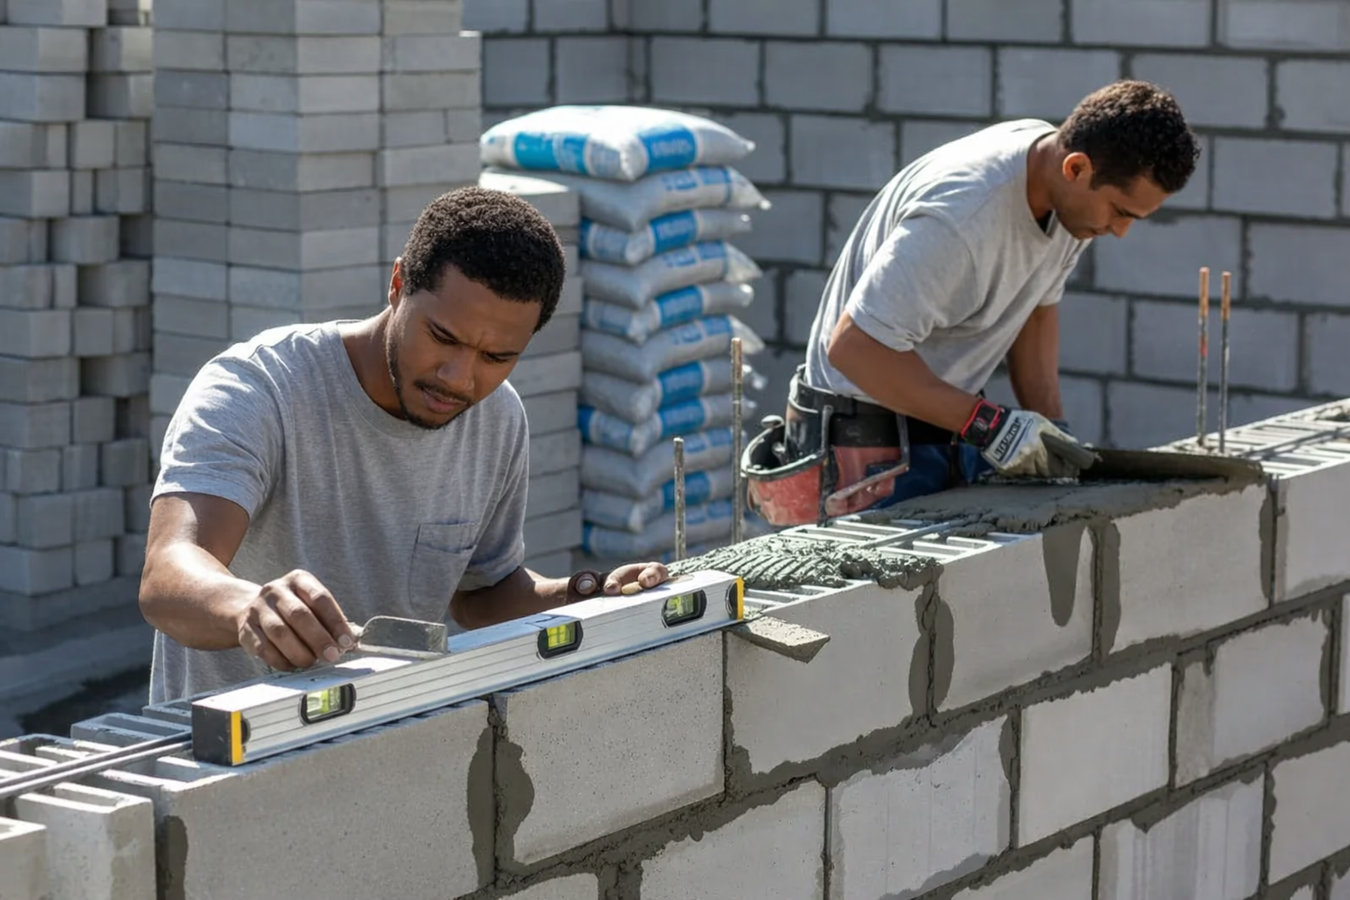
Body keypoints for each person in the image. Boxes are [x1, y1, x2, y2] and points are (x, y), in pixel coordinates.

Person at [139, 186, 667, 703]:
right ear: (397, 285)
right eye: (443, 338)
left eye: (496, 357)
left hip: (387, 739)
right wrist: (249, 607)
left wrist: (584, 596)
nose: (460, 378)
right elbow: (168, 573)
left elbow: (482, 592)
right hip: (222, 756)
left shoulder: (498, 417)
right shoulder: (259, 388)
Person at [743, 80, 1200, 526]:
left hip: (938, 431)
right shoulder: (961, 218)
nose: (1121, 231)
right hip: (862, 455)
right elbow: (852, 347)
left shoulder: (1070, 200)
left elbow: (1035, 311)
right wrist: (989, 426)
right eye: (1121, 212)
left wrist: (1052, 433)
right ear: (1076, 168)